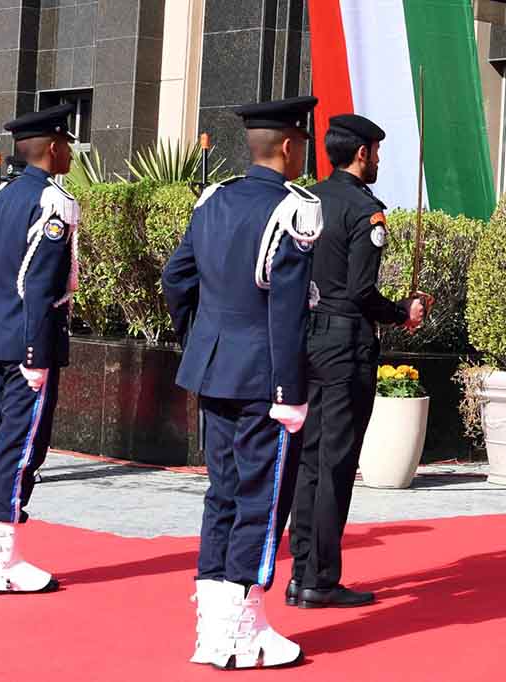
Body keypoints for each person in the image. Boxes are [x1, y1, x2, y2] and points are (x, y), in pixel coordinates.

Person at [162, 96, 320, 669]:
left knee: (223, 494)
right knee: (261, 498)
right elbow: (286, 311)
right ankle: (242, 629)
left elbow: (176, 279)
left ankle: (212, 626)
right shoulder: (295, 212)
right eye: (301, 142)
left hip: (215, 368)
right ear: (287, 145)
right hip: (262, 378)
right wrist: (289, 390)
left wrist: (204, 342)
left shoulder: (213, 199)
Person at [287, 114, 429, 609]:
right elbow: (361, 291)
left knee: (309, 461)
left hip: (307, 339)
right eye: (376, 152)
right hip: (346, 344)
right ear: (362, 153)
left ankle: (300, 569)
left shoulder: (305, 201)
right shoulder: (365, 212)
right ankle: (320, 579)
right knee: (336, 465)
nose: (378, 161)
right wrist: (402, 312)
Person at [0, 103, 81, 594]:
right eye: (66, 143)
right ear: (52, 148)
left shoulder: (2, 197)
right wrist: (33, 353)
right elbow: (42, 284)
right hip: (29, 343)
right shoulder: (53, 203)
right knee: (21, 446)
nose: (69, 151)